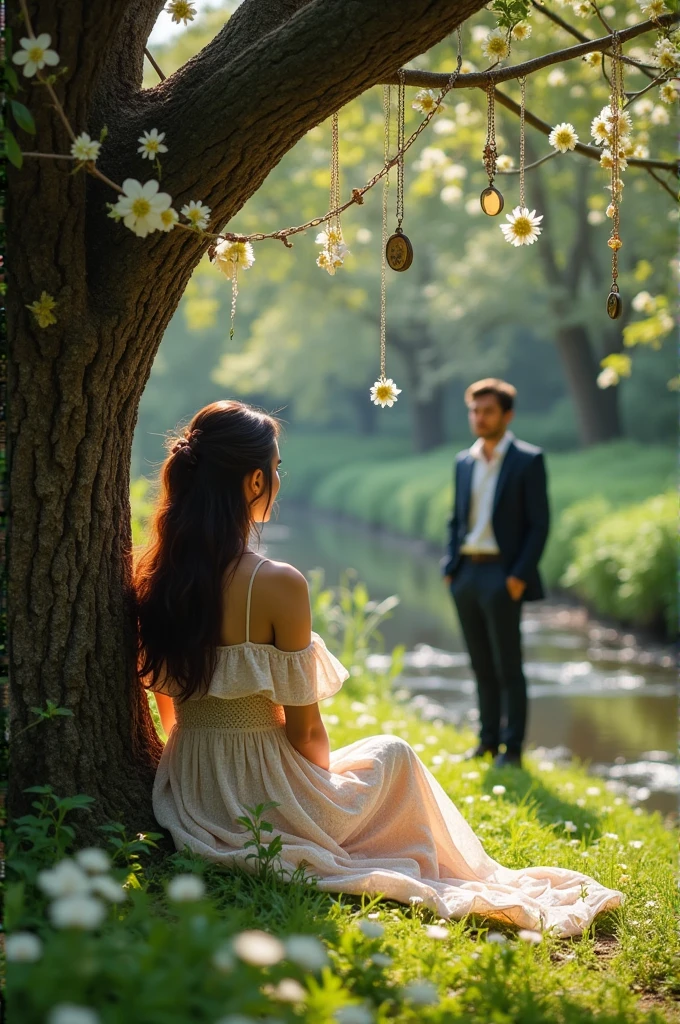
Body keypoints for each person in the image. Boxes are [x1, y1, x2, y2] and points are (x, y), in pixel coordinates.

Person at [136, 399, 621, 937]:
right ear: (253, 482)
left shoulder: (153, 573)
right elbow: (305, 729)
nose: (278, 479)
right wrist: (319, 788)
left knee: (373, 760)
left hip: (189, 787)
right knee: (393, 754)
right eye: (275, 469)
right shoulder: (276, 583)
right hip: (264, 795)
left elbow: (169, 709)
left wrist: (203, 764)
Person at [442, 378, 549, 769]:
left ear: (507, 415)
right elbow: (456, 519)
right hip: (467, 574)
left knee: (508, 666)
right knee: (480, 664)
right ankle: (487, 742)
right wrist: (450, 567)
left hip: (503, 576)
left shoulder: (528, 460)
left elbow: (540, 524)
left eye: (487, 411)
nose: (479, 418)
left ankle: (513, 749)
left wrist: (518, 576)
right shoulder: (463, 461)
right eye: (474, 411)